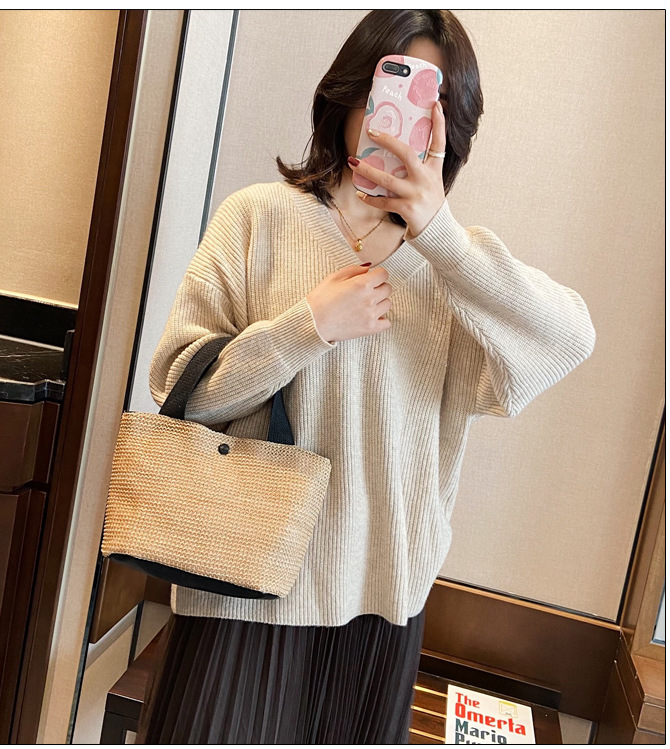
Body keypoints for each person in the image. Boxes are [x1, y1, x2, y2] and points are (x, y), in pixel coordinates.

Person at [135, 9, 596, 745]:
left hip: (377, 607)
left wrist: (441, 235)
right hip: (239, 589)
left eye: (428, 102)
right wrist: (305, 327)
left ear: (451, 126)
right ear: (350, 96)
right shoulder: (257, 218)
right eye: (390, 88)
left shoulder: (457, 270)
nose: (400, 119)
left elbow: (570, 339)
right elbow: (179, 390)